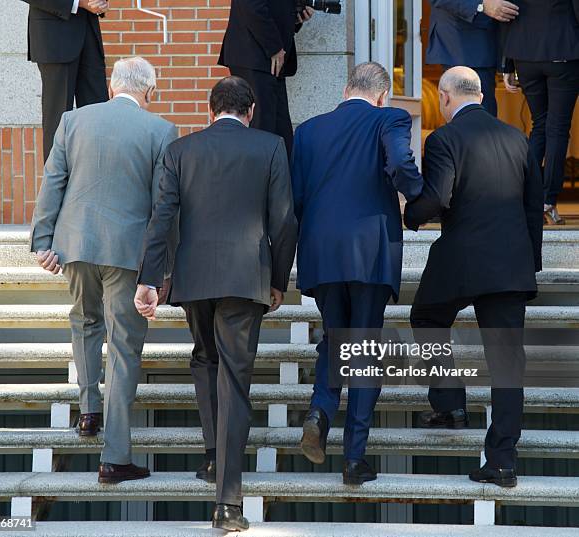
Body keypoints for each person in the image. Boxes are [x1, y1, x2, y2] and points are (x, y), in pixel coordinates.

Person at [134, 76, 297, 532]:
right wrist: (278, 280)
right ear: (249, 113)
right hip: (247, 280)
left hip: (194, 277)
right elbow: (284, 220)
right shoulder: (270, 146)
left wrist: (150, 278)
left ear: (211, 111)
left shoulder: (181, 151)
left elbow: (161, 217)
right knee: (235, 379)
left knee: (205, 359)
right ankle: (227, 503)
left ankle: (212, 455)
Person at [30, 57, 178, 484]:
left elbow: (52, 181)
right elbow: (161, 207)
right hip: (127, 253)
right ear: (149, 92)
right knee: (124, 346)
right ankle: (114, 456)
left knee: (84, 323)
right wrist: (162, 268)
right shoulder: (161, 131)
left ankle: (89, 411)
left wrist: (43, 242)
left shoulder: (72, 120)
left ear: (112, 87)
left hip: (75, 244)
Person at [405, 67, 543, 488]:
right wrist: (528, 263)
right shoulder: (518, 138)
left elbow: (438, 197)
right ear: (480, 95)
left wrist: (408, 215)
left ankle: (449, 403)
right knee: (506, 363)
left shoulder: (444, 139)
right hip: (509, 265)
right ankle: (502, 461)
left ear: (445, 98)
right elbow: (533, 206)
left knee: (427, 317)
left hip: (461, 261)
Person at [292, 62, 423, 485]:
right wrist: (421, 198)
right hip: (370, 248)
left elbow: (295, 197)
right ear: (382, 96)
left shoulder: (309, 130)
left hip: (321, 251)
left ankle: (320, 410)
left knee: (336, 338)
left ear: (346, 89)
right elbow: (401, 164)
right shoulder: (390, 118)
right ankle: (354, 457)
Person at [501, 0, 579, 225]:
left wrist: (506, 63)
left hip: (523, 53)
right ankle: (547, 200)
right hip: (563, 47)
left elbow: (506, 10)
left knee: (540, 124)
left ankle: (528, 198)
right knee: (557, 128)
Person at [218, 0, 314, 158]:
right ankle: (258, 181)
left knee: (280, 134)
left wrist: (295, 19)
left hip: (268, 59)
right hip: (255, 55)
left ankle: (277, 180)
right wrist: (274, 47)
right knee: (261, 129)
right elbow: (251, 6)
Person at [22, 0, 110, 161]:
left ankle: (98, 180)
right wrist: (78, 3)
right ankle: (56, 185)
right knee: (58, 119)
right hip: (54, 38)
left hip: (89, 31)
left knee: (99, 115)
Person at [426, 0, 520, 116]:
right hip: (460, 43)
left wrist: (506, 62)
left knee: (483, 118)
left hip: (488, 43)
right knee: (472, 118)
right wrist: (480, 5)